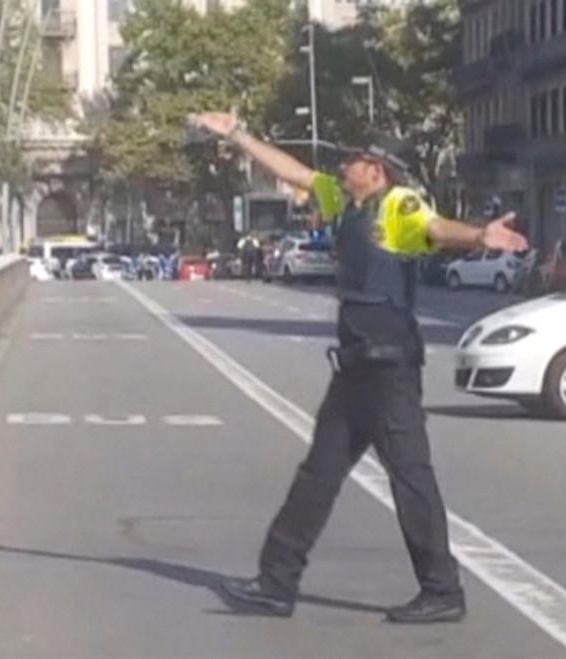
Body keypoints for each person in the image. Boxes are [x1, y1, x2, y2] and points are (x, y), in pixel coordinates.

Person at [190, 111, 528, 624]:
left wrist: (481, 236)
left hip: (390, 371)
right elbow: (295, 173)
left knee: (411, 480)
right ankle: (276, 582)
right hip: (354, 370)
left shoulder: (399, 204)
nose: (342, 166)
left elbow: (436, 229)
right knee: (317, 475)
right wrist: (238, 136)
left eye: (352, 160)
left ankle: (442, 590)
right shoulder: (345, 203)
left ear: (376, 169)